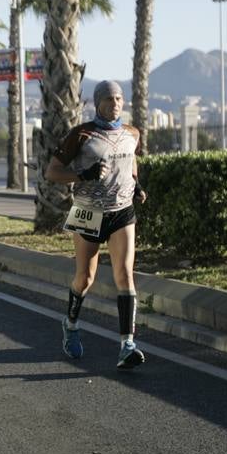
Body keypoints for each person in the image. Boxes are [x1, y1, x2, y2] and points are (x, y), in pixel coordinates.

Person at [44, 79, 148, 370]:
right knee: (85, 278)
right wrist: (84, 174)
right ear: (97, 102)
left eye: (119, 98)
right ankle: (71, 324)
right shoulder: (82, 134)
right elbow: (53, 172)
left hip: (122, 212)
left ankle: (127, 345)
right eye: (109, 99)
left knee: (125, 275)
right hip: (88, 212)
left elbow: (131, 164)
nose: (115, 103)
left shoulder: (132, 134)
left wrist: (136, 186)